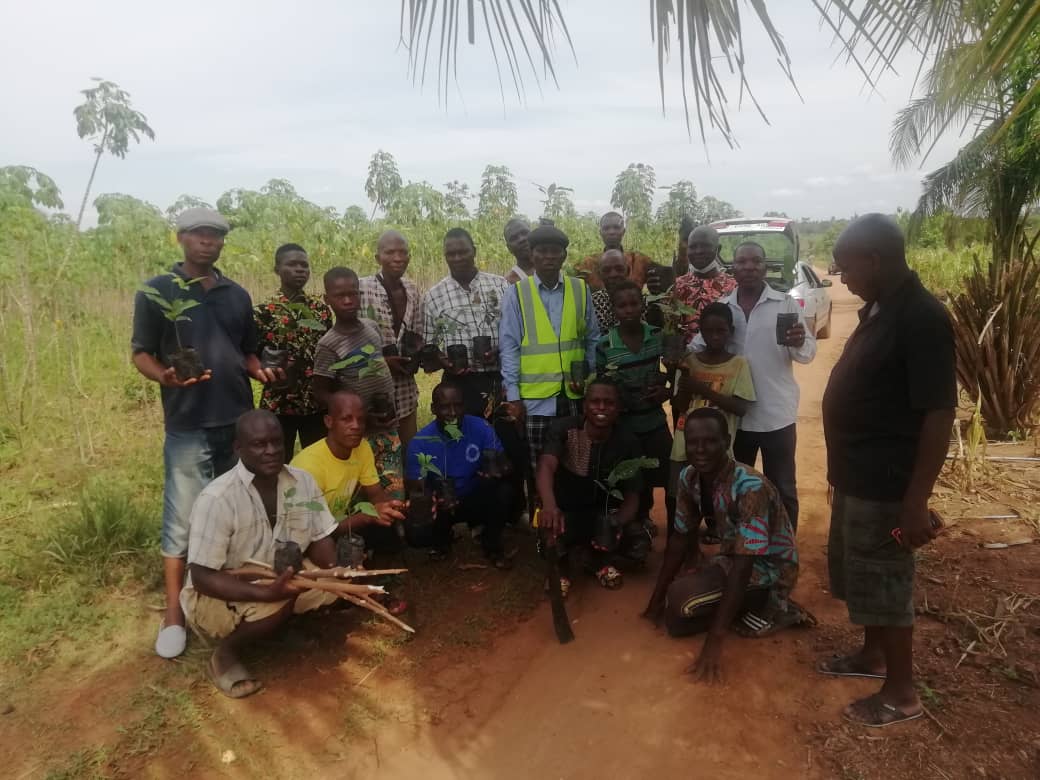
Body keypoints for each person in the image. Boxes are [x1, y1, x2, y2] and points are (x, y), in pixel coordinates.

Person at [820, 214, 956, 727]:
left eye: (847, 266)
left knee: (888, 581)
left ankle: (902, 694)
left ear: (874, 260)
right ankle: (871, 656)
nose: (842, 277)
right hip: (858, 478)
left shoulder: (921, 318)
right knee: (864, 577)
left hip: (888, 485)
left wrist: (916, 500)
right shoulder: (881, 308)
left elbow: (938, 412)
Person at [132, 206, 282, 660]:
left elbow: (248, 352)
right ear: (181, 237)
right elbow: (140, 353)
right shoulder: (159, 291)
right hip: (189, 423)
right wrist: (166, 377)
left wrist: (262, 373)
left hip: (238, 423)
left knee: (239, 512)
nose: (208, 241)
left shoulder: (236, 294)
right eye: (200, 233)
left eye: (216, 235)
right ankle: (173, 614)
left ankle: (231, 592)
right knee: (183, 520)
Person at [181, 410, 340, 698]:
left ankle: (278, 627)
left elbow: (319, 538)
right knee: (276, 603)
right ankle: (225, 653)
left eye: (277, 442)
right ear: (238, 449)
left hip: (277, 574)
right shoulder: (217, 499)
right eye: (259, 444)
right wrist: (268, 594)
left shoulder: (302, 482)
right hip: (220, 589)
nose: (271, 451)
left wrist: (338, 569)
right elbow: (202, 577)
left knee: (331, 588)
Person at [643, 408, 801, 684]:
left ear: (727, 442)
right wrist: (654, 601)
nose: (700, 449)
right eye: (693, 442)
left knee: (680, 605)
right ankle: (741, 608)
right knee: (674, 614)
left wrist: (715, 641)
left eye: (710, 441)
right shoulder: (689, 477)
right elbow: (679, 538)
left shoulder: (750, 487)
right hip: (732, 557)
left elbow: (744, 564)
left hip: (768, 568)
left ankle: (775, 605)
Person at [696, 241, 815, 531]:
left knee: (783, 487)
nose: (749, 267)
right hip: (736, 417)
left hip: (777, 413)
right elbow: (699, 346)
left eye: (756, 261)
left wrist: (800, 340)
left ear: (765, 266)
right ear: (732, 267)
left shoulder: (784, 304)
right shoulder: (724, 307)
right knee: (734, 485)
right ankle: (737, 551)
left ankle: (784, 553)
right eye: (742, 261)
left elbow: (808, 353)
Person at [500, 224, 600, 474]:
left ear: (564, 255)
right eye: (542, 251)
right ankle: (542, 513)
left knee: (577, 464)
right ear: (532, 254)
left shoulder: (580, 289)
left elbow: (592, 339)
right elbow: (509, 346)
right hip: (536, 400)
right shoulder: (516, 293)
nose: (548, 257)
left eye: (554, 251)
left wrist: (588, 378)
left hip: (573, 397)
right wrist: (514, 396)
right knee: (539, 468)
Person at [536, 378, 648, 592]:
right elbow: (546, 465)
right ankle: (562, 570)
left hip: (602, 514)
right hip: (566, 512)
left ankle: (596, 560)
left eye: (609, 402)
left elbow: (633, 494)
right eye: (595, 401)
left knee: (638, 542)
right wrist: (550, 505)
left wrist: (616, 522)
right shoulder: (564, 429)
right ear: (584, 405)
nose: (602, 408)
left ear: (619, 408)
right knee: (549, 527)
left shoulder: (627, 441)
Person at [312, 267, 404, 502]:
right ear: (327, 299)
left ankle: (393, 528)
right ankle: (360, 534)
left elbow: (372, 360)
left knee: (392, 482)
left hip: (386, 424)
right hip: (357, 433)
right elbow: (320, 391)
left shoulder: (371, 327)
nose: (347, 300)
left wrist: (387, 362)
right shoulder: (328, 345)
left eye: (352, 294)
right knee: (359, 491)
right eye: (339, 295)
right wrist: (356, 416)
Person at [405, 382, 512, 568]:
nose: (452, 412)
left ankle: (492, 543)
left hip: (474, 496)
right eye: (445, 406)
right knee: (417, 533)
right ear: (433, 408)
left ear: (465, 406)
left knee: (505, 492)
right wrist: (430, 499)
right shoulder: (420, 443)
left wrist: (497, 471)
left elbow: (504, 464)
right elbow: (417, 490)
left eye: (458, 405)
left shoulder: (481, 427)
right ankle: (442, 539)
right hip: (442, 503)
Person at [670, 302, 755, 537]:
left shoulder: (738, 364)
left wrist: (703, 389)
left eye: (721, 331)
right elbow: (679, 405)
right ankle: (685, 548)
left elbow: (740, 407)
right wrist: (684, 383)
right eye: (709, 331)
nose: (715, 336)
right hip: (683, 443)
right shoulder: (689, 361)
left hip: (717, 448)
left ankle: (723, 540)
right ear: (701, 332)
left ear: (731, 332)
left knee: (718, 497)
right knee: (679, 496)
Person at [291, 390, 407, 560]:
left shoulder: (362, 448)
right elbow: (314, 531)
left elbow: (375, 494)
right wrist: (367, 516)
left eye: (361, 420)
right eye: (346, 419)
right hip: (307, 535)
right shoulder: (308, 467)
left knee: (391, 533)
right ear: (329, 422)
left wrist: (393, 507)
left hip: (338, 521)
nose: (356, 426)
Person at [595, 280, 671, 532]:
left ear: (643, 305)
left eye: (633, 304)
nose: (628, 310)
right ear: (614, 310)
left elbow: (676, 372)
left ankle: (677, 528)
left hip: (655, 422)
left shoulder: (657, 336)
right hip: (625, 427)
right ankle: (638, 523)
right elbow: (601, 383)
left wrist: (665, 390)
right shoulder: (605, 345)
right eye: (622, 306)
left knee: (668, 475)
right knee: (632, 479)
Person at [253, 243, 333, 460]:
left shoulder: (320, 310)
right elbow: (252, 355)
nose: (300, 270)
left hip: (315, 402)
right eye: (292, 264)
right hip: (278, 402)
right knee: (276, 460)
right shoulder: (263, 312)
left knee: (318, 460)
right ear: (277, 269)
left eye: (304, 266)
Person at [421, 227, 508, 419]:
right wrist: (443, 361)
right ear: (445, 256)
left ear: (474, 251)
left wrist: (499, 350)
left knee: (502, 439)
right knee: (462, 439)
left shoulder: (501, 285)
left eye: (463, 252)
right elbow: (430, 346)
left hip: (499, 378)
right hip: (459, 386)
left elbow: (516, 333)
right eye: (451, 254)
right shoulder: (434, 296)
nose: (457, 258)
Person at [359, 230, 422, 450]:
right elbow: (348, 341)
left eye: (403, 252)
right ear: (378, 258)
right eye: (390, 252)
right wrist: (383, 362)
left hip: (405, 387)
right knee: (374, 455)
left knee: (409, 451)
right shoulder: (361, 288)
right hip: (372, 388)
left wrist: (420, 355)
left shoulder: (412, 289)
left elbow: (417, 331)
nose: (397, 258)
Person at [672, 225, 737, 343]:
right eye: (693, 247)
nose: (698, 251)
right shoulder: (677, 285)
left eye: (705, 246)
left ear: (718, 249)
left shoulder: (733, 287)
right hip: (686, 359)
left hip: (724, 358)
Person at [577, 212, 653, 289]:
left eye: (616, 227)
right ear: (600, 233)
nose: (611, 232)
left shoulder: (639, 261)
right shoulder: (588, 263)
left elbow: (661, 277)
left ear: (623, 232)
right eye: (606, 228)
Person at [590, 248, 631, 331]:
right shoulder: (591, 304)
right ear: (599, 274)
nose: (613, 274)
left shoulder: (642, 302)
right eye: (606, 270)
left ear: (628, 271)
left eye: (619, 269)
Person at [503, 218, 533, 284]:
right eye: (514, 238)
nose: (522, 239)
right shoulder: (508, 282)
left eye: (525, 233)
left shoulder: (551, 268)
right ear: (509, 248)